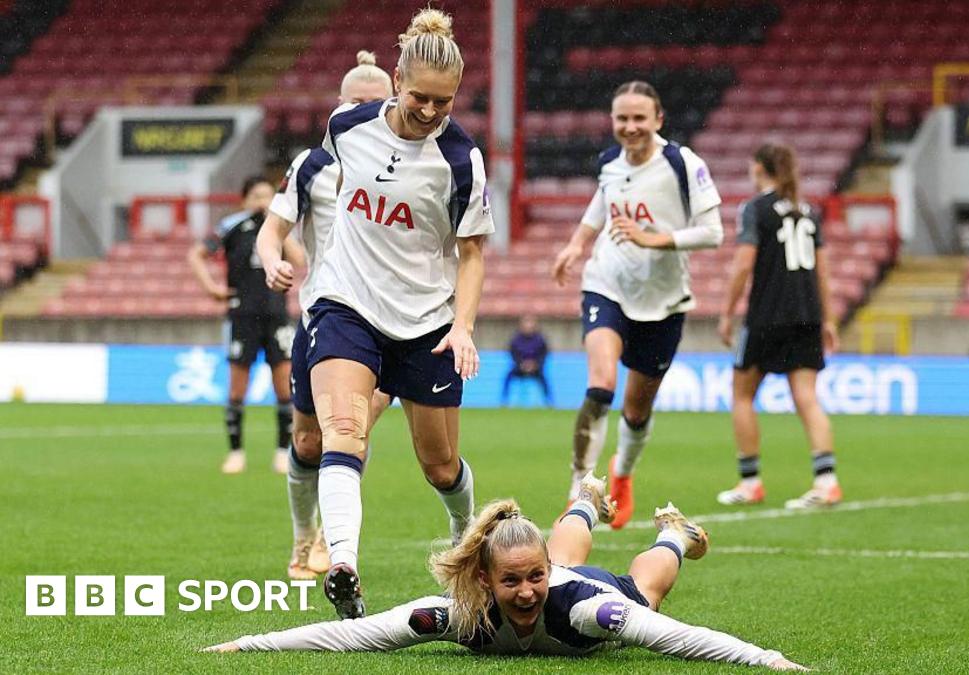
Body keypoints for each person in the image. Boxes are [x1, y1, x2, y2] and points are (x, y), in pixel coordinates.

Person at [257, 8, 493, 620]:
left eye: (444, 102)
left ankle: (469, 542)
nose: (430, 111)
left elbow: (471, 254)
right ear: (396, 79)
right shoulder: (347, 128)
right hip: (346, 305)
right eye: (420, 96)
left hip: (425, 323)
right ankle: (343, 566)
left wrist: (462, 327)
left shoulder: (462, 161)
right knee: (343, 432)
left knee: (439, 466)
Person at [205, 475, 807, 671]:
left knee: (645, 594)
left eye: (533, 577)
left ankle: (675, 532)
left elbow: (681, 640)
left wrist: (770, 660)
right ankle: (585, 501)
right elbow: (355, 634)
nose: (524, 592)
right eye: (511, 581)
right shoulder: (457, 614)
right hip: (563, 566)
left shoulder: (584, 608)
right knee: (565, 560)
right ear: (484, 581)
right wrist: (251, 641)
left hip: (590, 583)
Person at [551, 80, 723, 529]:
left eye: (638, 119)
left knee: (636, 409)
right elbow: (600, 205)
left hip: (663, 302)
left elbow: (713, 232)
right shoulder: (608, 162)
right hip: (607, 283)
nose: (630, 127)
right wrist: (576, 245)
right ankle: (579, 491)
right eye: (622, 119)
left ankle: (622, 473)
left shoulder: (681, 163)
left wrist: (654, 239)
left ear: (657, 120)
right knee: (601, 383)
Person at [256, 50, 394, 582]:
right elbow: (274, 229)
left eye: (375, 105)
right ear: (339, 108)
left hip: (389, 322)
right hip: (325, 316)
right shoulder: (311, 165)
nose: (363, 114)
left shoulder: (412, 161)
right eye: (355, 104)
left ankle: (335, 547)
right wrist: (272, 260)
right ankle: (302, 539)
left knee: (348, 430)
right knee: (309, 440)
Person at [715, 144, 842, 510]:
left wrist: (727, 312)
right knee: (807, 397)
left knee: (741, 395)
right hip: (806, 315)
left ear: (759, 168)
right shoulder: (809, 211)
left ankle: (750, 481)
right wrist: (829, 319)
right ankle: (826, 481)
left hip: (767, 316)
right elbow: (822, 270)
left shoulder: (756, 209)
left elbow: (743, 265)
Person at [187, 176, 304, 475]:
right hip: (242, 316)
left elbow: (300, 260)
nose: (262, 201)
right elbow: (196, 255)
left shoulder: (281, 228)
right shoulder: (232, 226)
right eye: (256, 196)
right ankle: (236, 452)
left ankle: (282, 451)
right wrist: (212, 288)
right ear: (244, 200)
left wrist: (278, 225)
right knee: (237, 388)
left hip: (277, 315)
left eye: (268, 196)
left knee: (284, 387)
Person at [501, 314, 552, 407]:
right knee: (508, 377)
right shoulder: (516, 339)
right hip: (520, 368)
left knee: (543, 379)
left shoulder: (540, 339)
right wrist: (521, 364)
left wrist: (535, 365)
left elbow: (543, 355)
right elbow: (513, 354)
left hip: (536, 369)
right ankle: (504, 400)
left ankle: (549, 402)